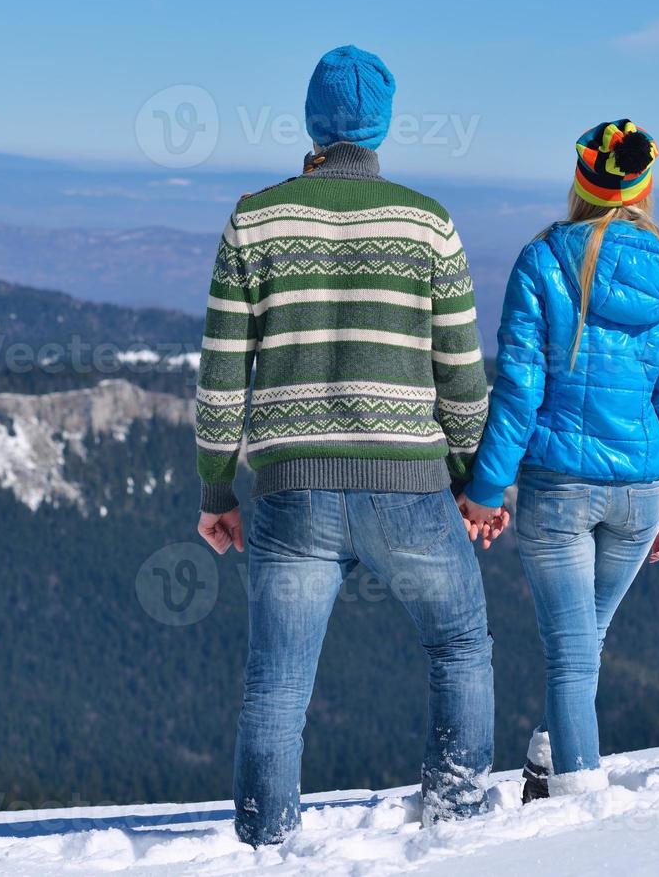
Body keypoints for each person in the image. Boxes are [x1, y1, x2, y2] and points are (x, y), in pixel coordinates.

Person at [193, 45, 503, 847]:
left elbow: (223, 375)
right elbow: (460, 376)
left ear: (311, 122)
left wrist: (216, 492)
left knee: (275, 685)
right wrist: (476, 480)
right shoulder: (428, 222)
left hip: (291, 487)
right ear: (381, 126)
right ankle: (458, 819)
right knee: (459, 643)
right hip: (409, 484)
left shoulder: (255, 217)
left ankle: (264, 848)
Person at [458, 119, 659, 801]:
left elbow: (518, 388)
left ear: (580, 181)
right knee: (583, 643)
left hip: (558, 486)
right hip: (642, 488)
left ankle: (578, 815)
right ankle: (547, 757)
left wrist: (486, 487)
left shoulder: (542, 260)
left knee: (571, 653)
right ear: (643, 188)